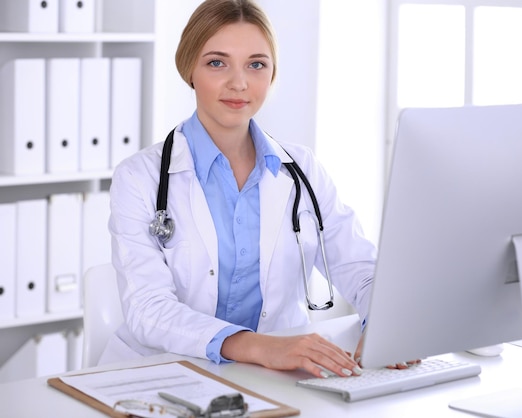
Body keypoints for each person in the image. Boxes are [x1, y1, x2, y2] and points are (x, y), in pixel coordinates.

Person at [102, 0, 377, 379]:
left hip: (271, 379)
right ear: (189, 69)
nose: (239, 83)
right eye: (217, 62)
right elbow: (147, 308)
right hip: (162, 375)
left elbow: (361, 268)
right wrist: (259, 346)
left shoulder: (303, 170)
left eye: (256, 64)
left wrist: (380, 325)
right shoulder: (140, 178)